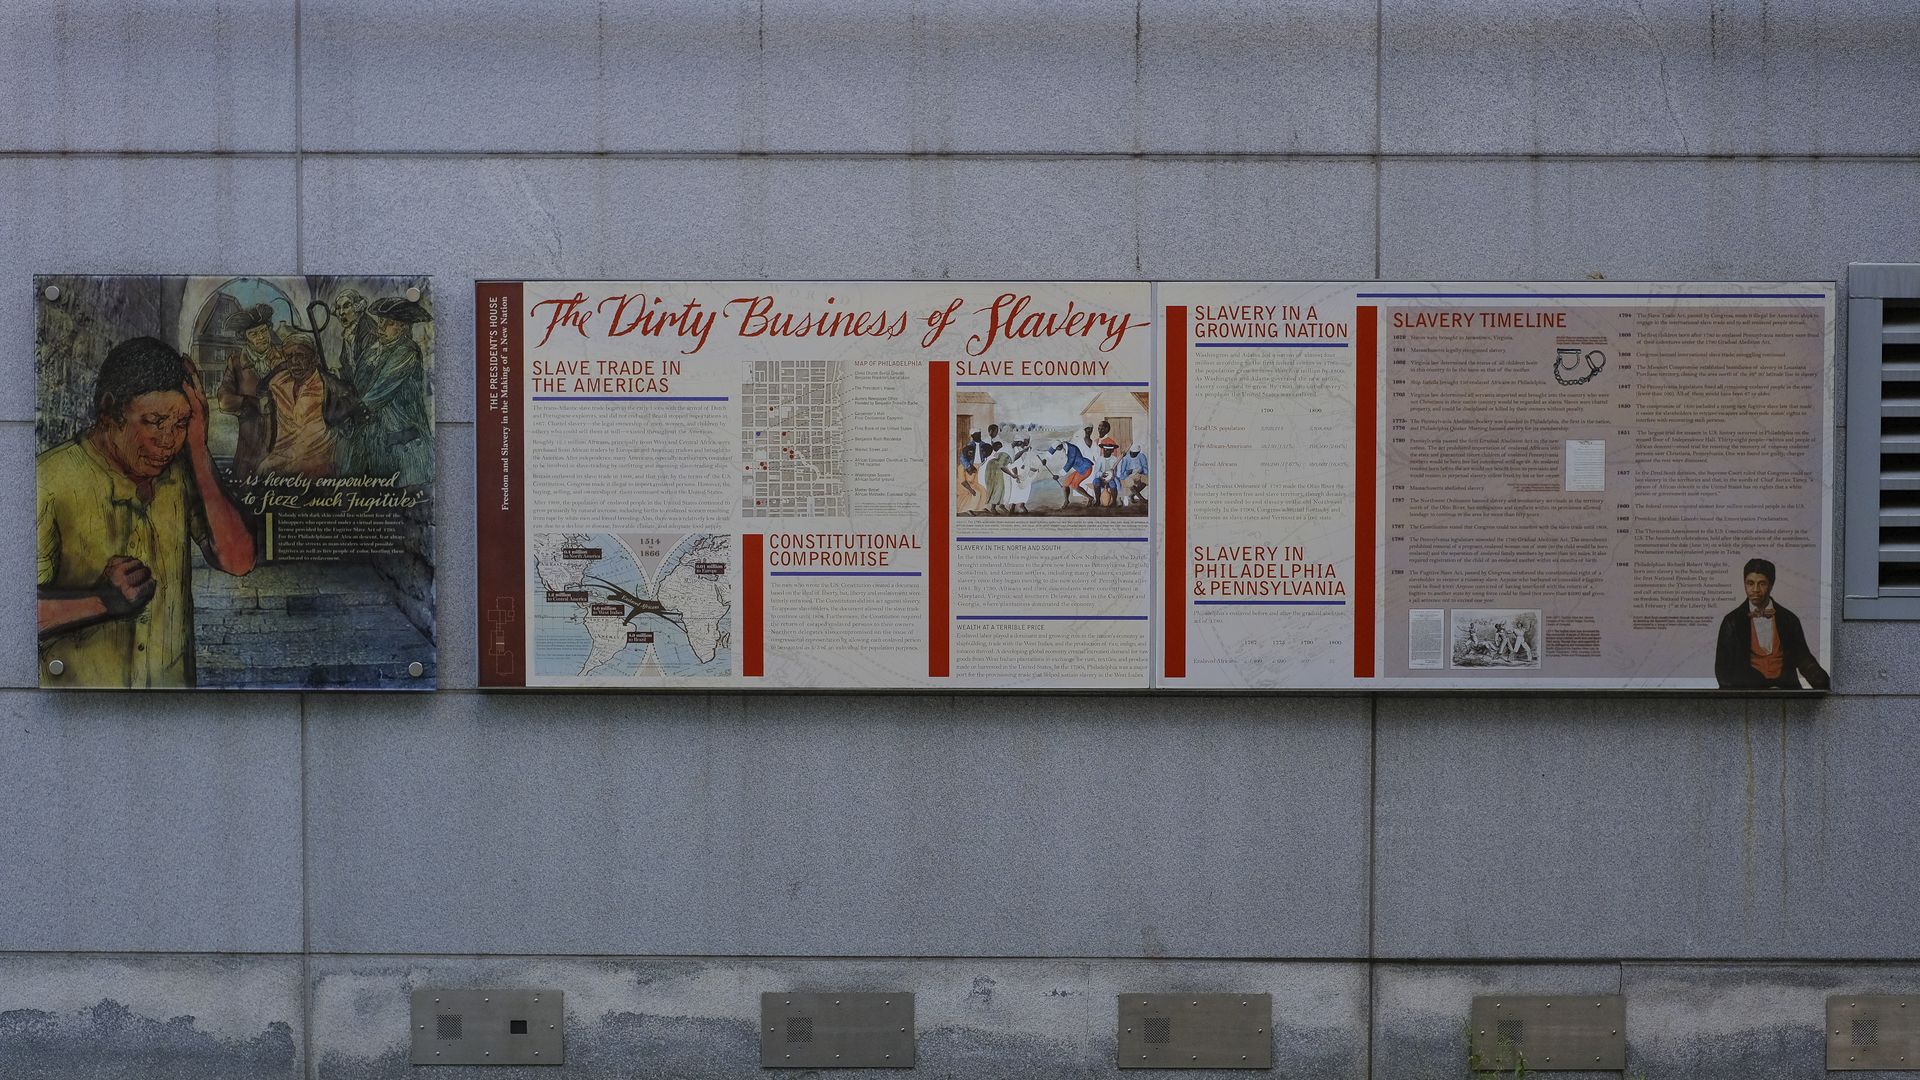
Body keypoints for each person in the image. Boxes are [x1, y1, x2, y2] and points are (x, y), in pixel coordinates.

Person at [37, 336, 257, 687]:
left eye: (181, 423)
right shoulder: (49, 480)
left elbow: (238, 559)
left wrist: (198, 450)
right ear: (110, 413)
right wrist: (100, 601)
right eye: (154, 421)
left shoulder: (181, 470)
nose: (169, 440)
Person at [343, 296, 433, 485]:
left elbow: (381, 389)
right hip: (375, 442)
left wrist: (351, 411)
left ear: (404, 328)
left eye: (389, 323)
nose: (381, 328)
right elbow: (358, 389)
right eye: (380, 322)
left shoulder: (407, 351)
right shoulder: (371, 352)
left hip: (404, 444)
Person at [1714, 557, 1829, 689]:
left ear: (1771, 584)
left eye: (1762, 583)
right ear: (1744, 584)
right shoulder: (1731, 622)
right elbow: (1723, 673)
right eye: (1750, 583)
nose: (1755, 589)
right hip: (1749, 697)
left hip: (1786, 695)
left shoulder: (1789, 620)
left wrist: (1830, 689)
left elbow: (1804, 660)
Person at [257, 340, 355, 477]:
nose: (294, 361)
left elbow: (350, 402)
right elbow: (260, 390)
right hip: (278, 465)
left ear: (314, 359)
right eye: (290, 357)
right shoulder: (277, 382)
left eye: (301, 356)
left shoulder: (330, 387)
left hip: (317, 469)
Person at [217, 303, 281, 479]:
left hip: (282, 448)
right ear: (244, 338)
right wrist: (250, 403)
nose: (260, 337)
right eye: (253, 334)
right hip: (249, 450)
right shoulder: (236, 363)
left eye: (263, 331)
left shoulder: (284, 359)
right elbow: (223, 399)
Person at [329, 289, 376, 384]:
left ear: (357, 308)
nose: (341, 312)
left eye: (346, 306)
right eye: (338, 308)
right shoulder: (350, 330)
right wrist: (338, 373)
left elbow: (368, 371)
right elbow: (350, 368)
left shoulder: (369, 331)